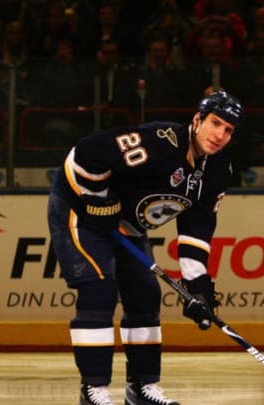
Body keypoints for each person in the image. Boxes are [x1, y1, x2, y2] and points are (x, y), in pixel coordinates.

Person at [47, 90, 243, 405]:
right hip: (78, 209)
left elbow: (196, 231)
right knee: (99, 290)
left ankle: (141, 388)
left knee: (144, 295)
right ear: (197, 120)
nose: (220, 134)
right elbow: (85, 153)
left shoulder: (218, 171)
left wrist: (197, 287)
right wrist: (98, 200)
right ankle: (93, 390)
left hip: (125, 225)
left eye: (229, 129)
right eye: (215, 123)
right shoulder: (159, 143)